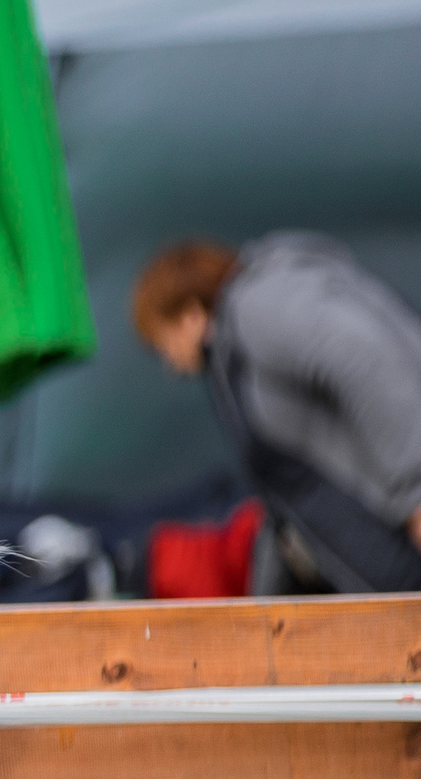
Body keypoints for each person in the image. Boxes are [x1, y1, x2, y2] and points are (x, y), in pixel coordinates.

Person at [134, 234, 421, 595]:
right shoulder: (232, 361)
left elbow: (367, 361)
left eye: (163, 341)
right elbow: (288, 500)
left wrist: (415, 491)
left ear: (190, 314)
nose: (169, 362)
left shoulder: (260, 305)